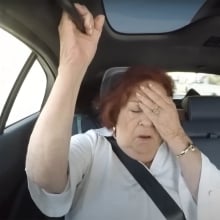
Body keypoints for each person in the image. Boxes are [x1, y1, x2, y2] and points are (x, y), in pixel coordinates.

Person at [25, 3, 220, 220]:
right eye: (137, 109)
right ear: (115, 115)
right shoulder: (92, 146)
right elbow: (45, 177)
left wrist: (175, 135)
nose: (147, 121)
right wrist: (72, 66)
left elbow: (216, 204)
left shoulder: (182, 156)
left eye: (157, 111)